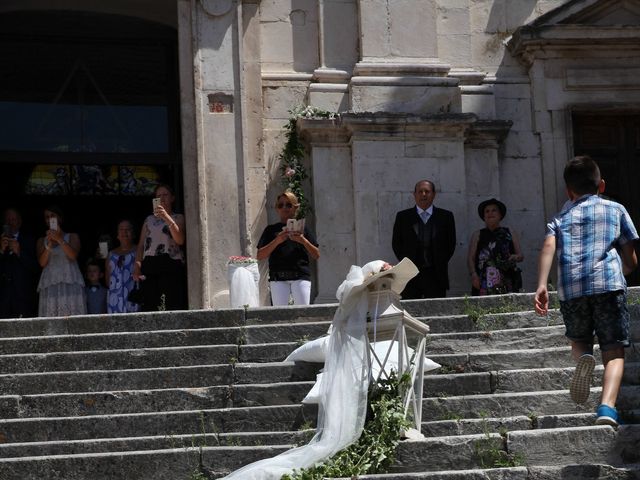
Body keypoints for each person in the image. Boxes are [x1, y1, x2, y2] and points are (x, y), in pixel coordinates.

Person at [535, 156, 638, 427]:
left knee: (579, 339)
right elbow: (631, 257)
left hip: (572, 288)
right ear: (601, 185)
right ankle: (607, 408)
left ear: (569, 191)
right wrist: (625, 268)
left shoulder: (560, 216)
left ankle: (583, 359)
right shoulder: (616, 209)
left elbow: (548, 247)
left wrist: (542, 284)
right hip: (607, 284)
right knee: (614, 350)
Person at [392, 179, 456, 298]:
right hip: (410, 276)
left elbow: (450, 244)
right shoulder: (403, 217)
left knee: (437, 310)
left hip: (436, 275)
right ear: (414, 194)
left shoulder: (445, 217)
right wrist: (407, 264)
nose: (423, 194)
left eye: (427, 191)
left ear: (434, 194)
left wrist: (440, 261)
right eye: (420, 191)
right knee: (411, 312)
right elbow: (396, 243)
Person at [256, 191, 320, 306]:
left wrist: (303, 241)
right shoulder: (270, 230)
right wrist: (277, 240)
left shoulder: (303, 229)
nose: (284, 208)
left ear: (295, 208)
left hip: (300, 276)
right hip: (278, 278)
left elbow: (316, 255)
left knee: (303, 312)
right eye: (281, 205)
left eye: (288, 205)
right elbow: (260, 255)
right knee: (280, 315)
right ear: (277, 209)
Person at [133, 184, 187, 311]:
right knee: (150, 301)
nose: (162, 198)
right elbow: (141, 245)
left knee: (172, 300)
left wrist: (166, 217)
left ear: (172, 198)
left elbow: (180, 240)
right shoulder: (149, 220)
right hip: (151, 263)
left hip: (171, 262)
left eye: (165, 195)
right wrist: (137, 265)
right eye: (159, 196)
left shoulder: (178, 217)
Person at [36, 205, 86, 317]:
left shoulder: (72, 236)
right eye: (47, 217)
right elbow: (42, 263)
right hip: (50, 283)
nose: (49, 219)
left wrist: (59, 238)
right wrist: (49, 243)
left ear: (60, 218)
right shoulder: (41, 241)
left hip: (70, 282)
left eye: (52, 216)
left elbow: (72, 256)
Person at [467, 198, 523, 295]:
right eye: (487, 211)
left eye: (494, 210)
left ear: (500, 215)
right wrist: (474, 275)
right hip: (483, 281)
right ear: (484, 216)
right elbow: (470, 258)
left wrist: (515, 257)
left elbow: (520, 255)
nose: (490, 213)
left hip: (506, 278)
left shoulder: (510, 232)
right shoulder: (477, 235)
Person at [0, 208, 39, 318]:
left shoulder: (30, 240)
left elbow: (36, 268)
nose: (10, 223)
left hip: (23, 296)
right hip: (3, 297)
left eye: (13, 219)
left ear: (19, 221)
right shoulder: (0, 241)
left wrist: (19, 253)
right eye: (8, 220)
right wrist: (1, 251)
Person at [106, 220, 139, 313]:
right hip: (114, 299)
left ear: (133, 233)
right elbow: (107, 280)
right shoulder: (111, 254)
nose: (124, 232)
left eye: (128, 229)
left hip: (133, 297)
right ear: (117, 234)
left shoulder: (139, 251)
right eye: (121, 229)